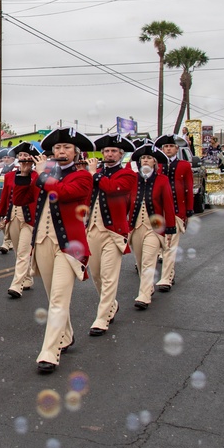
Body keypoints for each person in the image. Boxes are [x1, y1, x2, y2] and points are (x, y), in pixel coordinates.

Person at [31, 128, 94, 374]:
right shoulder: (45, 174)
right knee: (52, 296)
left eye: (67, 147)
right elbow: (23, 199)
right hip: (43, 240)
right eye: (57, 148)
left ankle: (49, 352)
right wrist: (27, 175)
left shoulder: (83, 176)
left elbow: (65, 193)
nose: (61, 151)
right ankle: (65, 335)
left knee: (58, 298)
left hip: (69, 246)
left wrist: (42, 175)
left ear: (76, 152)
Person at [85, 134, 136, 336]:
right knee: (95, 274)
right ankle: (111, 304)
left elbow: (113, 189)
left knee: (109, 276)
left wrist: (93, 175)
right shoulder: (95, 173)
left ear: (121, 154)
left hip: (114, 232)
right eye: (106, 151)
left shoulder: (127, 174)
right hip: (93, 229)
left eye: (113, 151)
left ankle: (102, 317)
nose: (109, 154)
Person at [128, 143, 177, 310]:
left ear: (155, 162)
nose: (146, 161)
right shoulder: (133, 179)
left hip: (154, 228)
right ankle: (147, 286)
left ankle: (144, 295)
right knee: (140, 261)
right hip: (135, 227)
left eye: (149, 158)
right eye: (143, 158)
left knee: (149, 261)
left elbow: (168, 207)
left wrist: (169, 230)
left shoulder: (162, 180)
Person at [154, 134, 193, 293]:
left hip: (177, 211)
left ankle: (166, 278)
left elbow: (188, 188)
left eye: (171, 146)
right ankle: (167, 273)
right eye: (165, 147)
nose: (168, 149)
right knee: (158, 244)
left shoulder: (184, 165)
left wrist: (189, 211)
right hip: (158, 212)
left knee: (170, 245)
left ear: (177, 148)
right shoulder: (157, 165)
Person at [4, 142, 41, 299]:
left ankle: (16, 284)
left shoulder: (37, 176)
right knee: (18, 250)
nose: (24, 158)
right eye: (21, 156)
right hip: (13, 215)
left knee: (24, 252)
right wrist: (2, 215)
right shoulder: (9, 176)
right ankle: (27, 278)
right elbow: (7, 196)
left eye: (27, 156)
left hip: (29, 218)